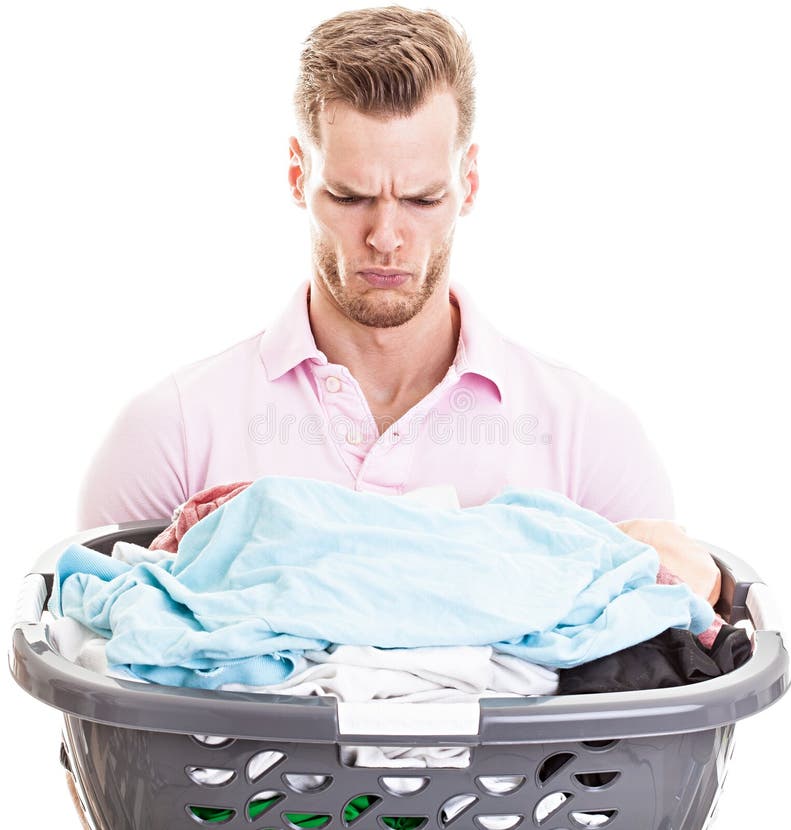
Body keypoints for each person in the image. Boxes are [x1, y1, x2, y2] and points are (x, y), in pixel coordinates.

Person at [78, 6, 677, 534]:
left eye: (421, 199)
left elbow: (663, 648)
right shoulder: (170, 434)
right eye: (348, 196)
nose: (385, 237)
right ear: (297, 176)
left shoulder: (589, 442)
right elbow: (91, 642)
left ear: (468, 182)